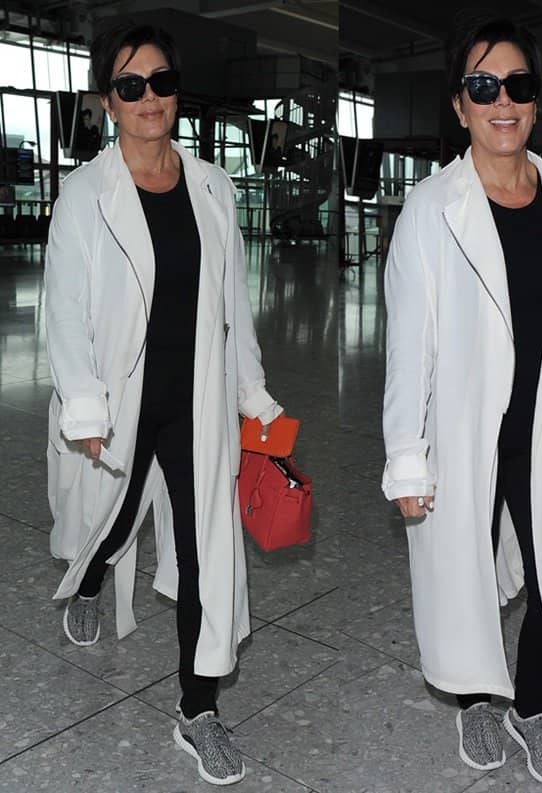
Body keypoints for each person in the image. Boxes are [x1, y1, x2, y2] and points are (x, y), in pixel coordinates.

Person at [382, 17, 542, 786]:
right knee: (461, 571)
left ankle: (530, 707)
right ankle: (475, 697)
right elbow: (409, 349)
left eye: (518, 86)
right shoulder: (431, 210)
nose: (503, 101)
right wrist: (407, 454)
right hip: (463, 434)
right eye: (483, 86)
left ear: (535, 101)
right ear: (459, 105)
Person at [45, 23, 283, 786]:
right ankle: (85, 582)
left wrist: (253, 393)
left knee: (208, 546)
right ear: (107, 102)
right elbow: (64, 308)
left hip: (199, 401)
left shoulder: (214, 185)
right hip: (121, 400)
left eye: (162, 82)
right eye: (130, 85)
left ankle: (198, 708)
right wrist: (83, 406)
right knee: (114, 519)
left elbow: (233, 305)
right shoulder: (86, 193)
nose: (149, 98)